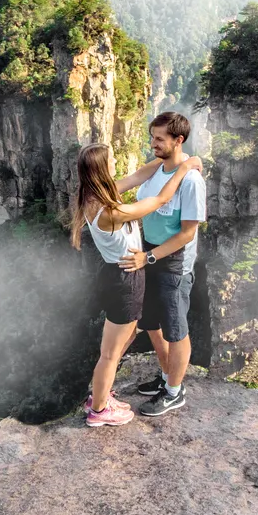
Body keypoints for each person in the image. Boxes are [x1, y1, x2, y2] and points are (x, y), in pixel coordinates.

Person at [71, 142, 202, 427]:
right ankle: (99, 410)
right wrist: (183, 169)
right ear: (102, 169)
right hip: (126, 281)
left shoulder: (95, 195)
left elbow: (138, 175)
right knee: (111, 352)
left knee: (121, 341)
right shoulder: (111, 211)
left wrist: (168, 159)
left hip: (115, 277)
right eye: (112, 159)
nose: (117, 161)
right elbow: (160, 200)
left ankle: (100, 395)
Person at [118, 112, 207, 418]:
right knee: (151, 322)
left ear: (178, 140)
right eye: (152, 137)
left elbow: (187, 233)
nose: (152, 143)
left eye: (159, 138)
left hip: (173, 263)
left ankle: (174, 392)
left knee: (175, 328)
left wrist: (149, 257)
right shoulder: (157, 167)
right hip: (149, 253)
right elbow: (126, 182)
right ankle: (169, 376)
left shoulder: (192, 181)